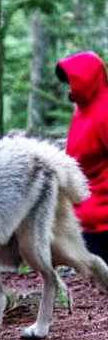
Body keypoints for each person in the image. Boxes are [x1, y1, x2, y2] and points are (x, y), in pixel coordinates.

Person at [55, 51, 108, 263]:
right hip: (84, 217)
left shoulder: (104, 112)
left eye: (72, 81)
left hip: (103, 221)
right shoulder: (82, 111)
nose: (69, 87)